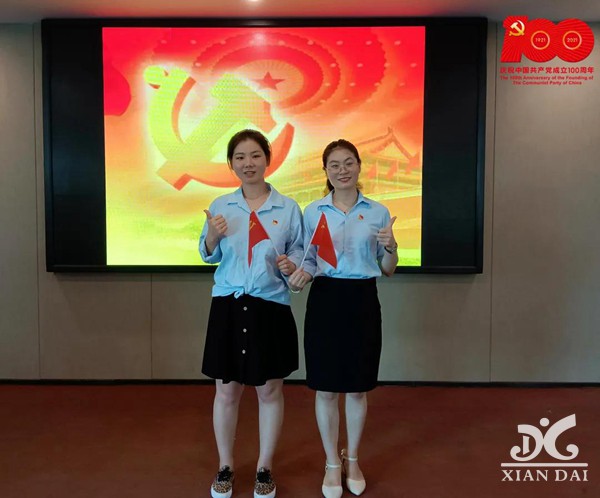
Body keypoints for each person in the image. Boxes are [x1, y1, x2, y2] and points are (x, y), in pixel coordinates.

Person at [288, 139, 398, 498]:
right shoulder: (313, 212)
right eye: (334, 165)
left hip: (362, 299)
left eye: (348, 162)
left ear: (359, 165)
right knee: (326, 387)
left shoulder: (378, 212)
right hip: (325, 299)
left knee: (356, 387)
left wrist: (392, 246)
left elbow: (388, 268)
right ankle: (331, 463)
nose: (342, 170)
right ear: (325, 171)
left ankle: (353, 459)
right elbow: (309, 259)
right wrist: (300, 274)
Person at [199, 129, 304, 498]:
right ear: (231, 163)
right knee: (226, 390)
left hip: (270, 306)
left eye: (255, 155)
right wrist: (213, 236)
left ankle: (264, 469)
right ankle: (225, 466)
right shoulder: (221, 205)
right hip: (228, 305)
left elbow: (300, 256)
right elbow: (207, 254)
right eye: (240, 157)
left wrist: (292, 266)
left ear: (268, 160)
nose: (248, 163)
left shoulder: (288, 208)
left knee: (269, 389)